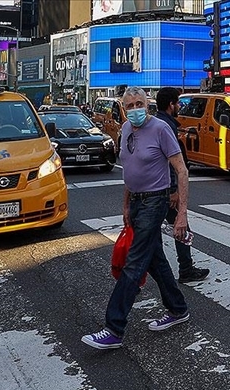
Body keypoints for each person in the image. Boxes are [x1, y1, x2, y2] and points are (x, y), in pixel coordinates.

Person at [81, 87, 191, 350]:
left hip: (155, 200)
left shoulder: (161, 129)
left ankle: (113, 328)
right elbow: (129, 170)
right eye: (129, 106)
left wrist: (182, 214)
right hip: (137, 202)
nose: (134, 109)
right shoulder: (126, 130)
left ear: (148, 104)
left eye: (138, 104)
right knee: (155, 260)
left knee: (134, 262)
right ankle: (178, 309)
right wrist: (126, 205)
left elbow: (181, 170)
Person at [154, 87, 210, 283]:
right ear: (171, 105)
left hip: (155, 188)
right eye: (177, 103)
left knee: (150, 234)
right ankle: (185, 269)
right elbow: (170, 161)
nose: (179, 106)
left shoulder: (157, 122)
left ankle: (136, 277)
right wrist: (174, 190)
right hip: (165, 189)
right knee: (180, 226)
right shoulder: (165, 126)